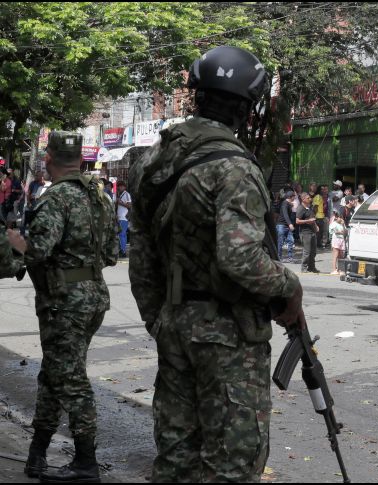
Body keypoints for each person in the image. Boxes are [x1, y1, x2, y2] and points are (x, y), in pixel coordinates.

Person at [127, 46, 303, 482]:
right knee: (232, 463)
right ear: (247, 107)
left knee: (176, 457)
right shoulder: (234, 167)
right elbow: (240, 257)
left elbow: (142, 255)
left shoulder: (155, 160)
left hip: (175, 323)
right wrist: (289, 286)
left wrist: (162, 319)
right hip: (228, 335)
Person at [6, 131, 119, 482]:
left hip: (64, 303)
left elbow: (37, 250)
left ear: (49, 160)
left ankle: (86, 463)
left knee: (70, 379)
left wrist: (14, 242)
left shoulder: (56, 198)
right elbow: (113, 254)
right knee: (55, 375)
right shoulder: (98, 198)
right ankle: (37, 454)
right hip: (91, 297)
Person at [296, 192, 319, 273]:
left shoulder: (309, 207)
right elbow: (297, 221)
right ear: (303, 199)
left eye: (310, 198)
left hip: (312, 232)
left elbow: (312, 218)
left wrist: (316, 226)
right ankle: (304, 267)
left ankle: (311, 267)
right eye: (308, 198)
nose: (310, 199)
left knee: (313, 251)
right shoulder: (300, 208)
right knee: (307, 251)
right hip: (305, 233)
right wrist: (307, 221)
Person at [277, 190, 296, 263]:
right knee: (280, 242)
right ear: (291, 197)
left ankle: (290, 257)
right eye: (294, 196)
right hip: (281, 225)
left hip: (287, 225)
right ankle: (279, 257)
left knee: (291, 241)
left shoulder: (289, 204)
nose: (295, 197)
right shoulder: (285, 203)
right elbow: (285, 215)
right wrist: (290, 224)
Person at [116, 181, 131, 258]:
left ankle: (123, 251)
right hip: (120, 218)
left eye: (121, 186)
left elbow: (129, 205)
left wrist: (120, 202)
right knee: (121, 235)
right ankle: (122, 250)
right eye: (119, 186)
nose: (119, 187)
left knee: (122, 235)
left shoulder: (126, 194)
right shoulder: (121, 194)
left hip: (123, 218)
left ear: (124, 187)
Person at [329, 209, 347, 275]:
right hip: (336, 239)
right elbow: (332, 231)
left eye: (342, 217)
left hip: (342, 239)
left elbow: (345, 232)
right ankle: (334, 269)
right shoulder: (334, 224)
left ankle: (340, 269)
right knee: (335, 255)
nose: (341, 219)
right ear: (336, 217)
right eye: (340, 217)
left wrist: (343, 225)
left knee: (341, 255)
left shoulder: (342, 224)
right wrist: (339, 232)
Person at [314, 184, 329, 249]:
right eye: (322, 189)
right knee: (318, 231)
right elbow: (315, 207)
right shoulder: (318, 196)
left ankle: (320, 244)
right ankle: (317, 244)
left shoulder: (322, 197)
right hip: (318, 216)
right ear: (319, 190)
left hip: (322, 216)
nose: (323, 190)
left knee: (322, 231)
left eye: (324, 189)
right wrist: (314, 216)